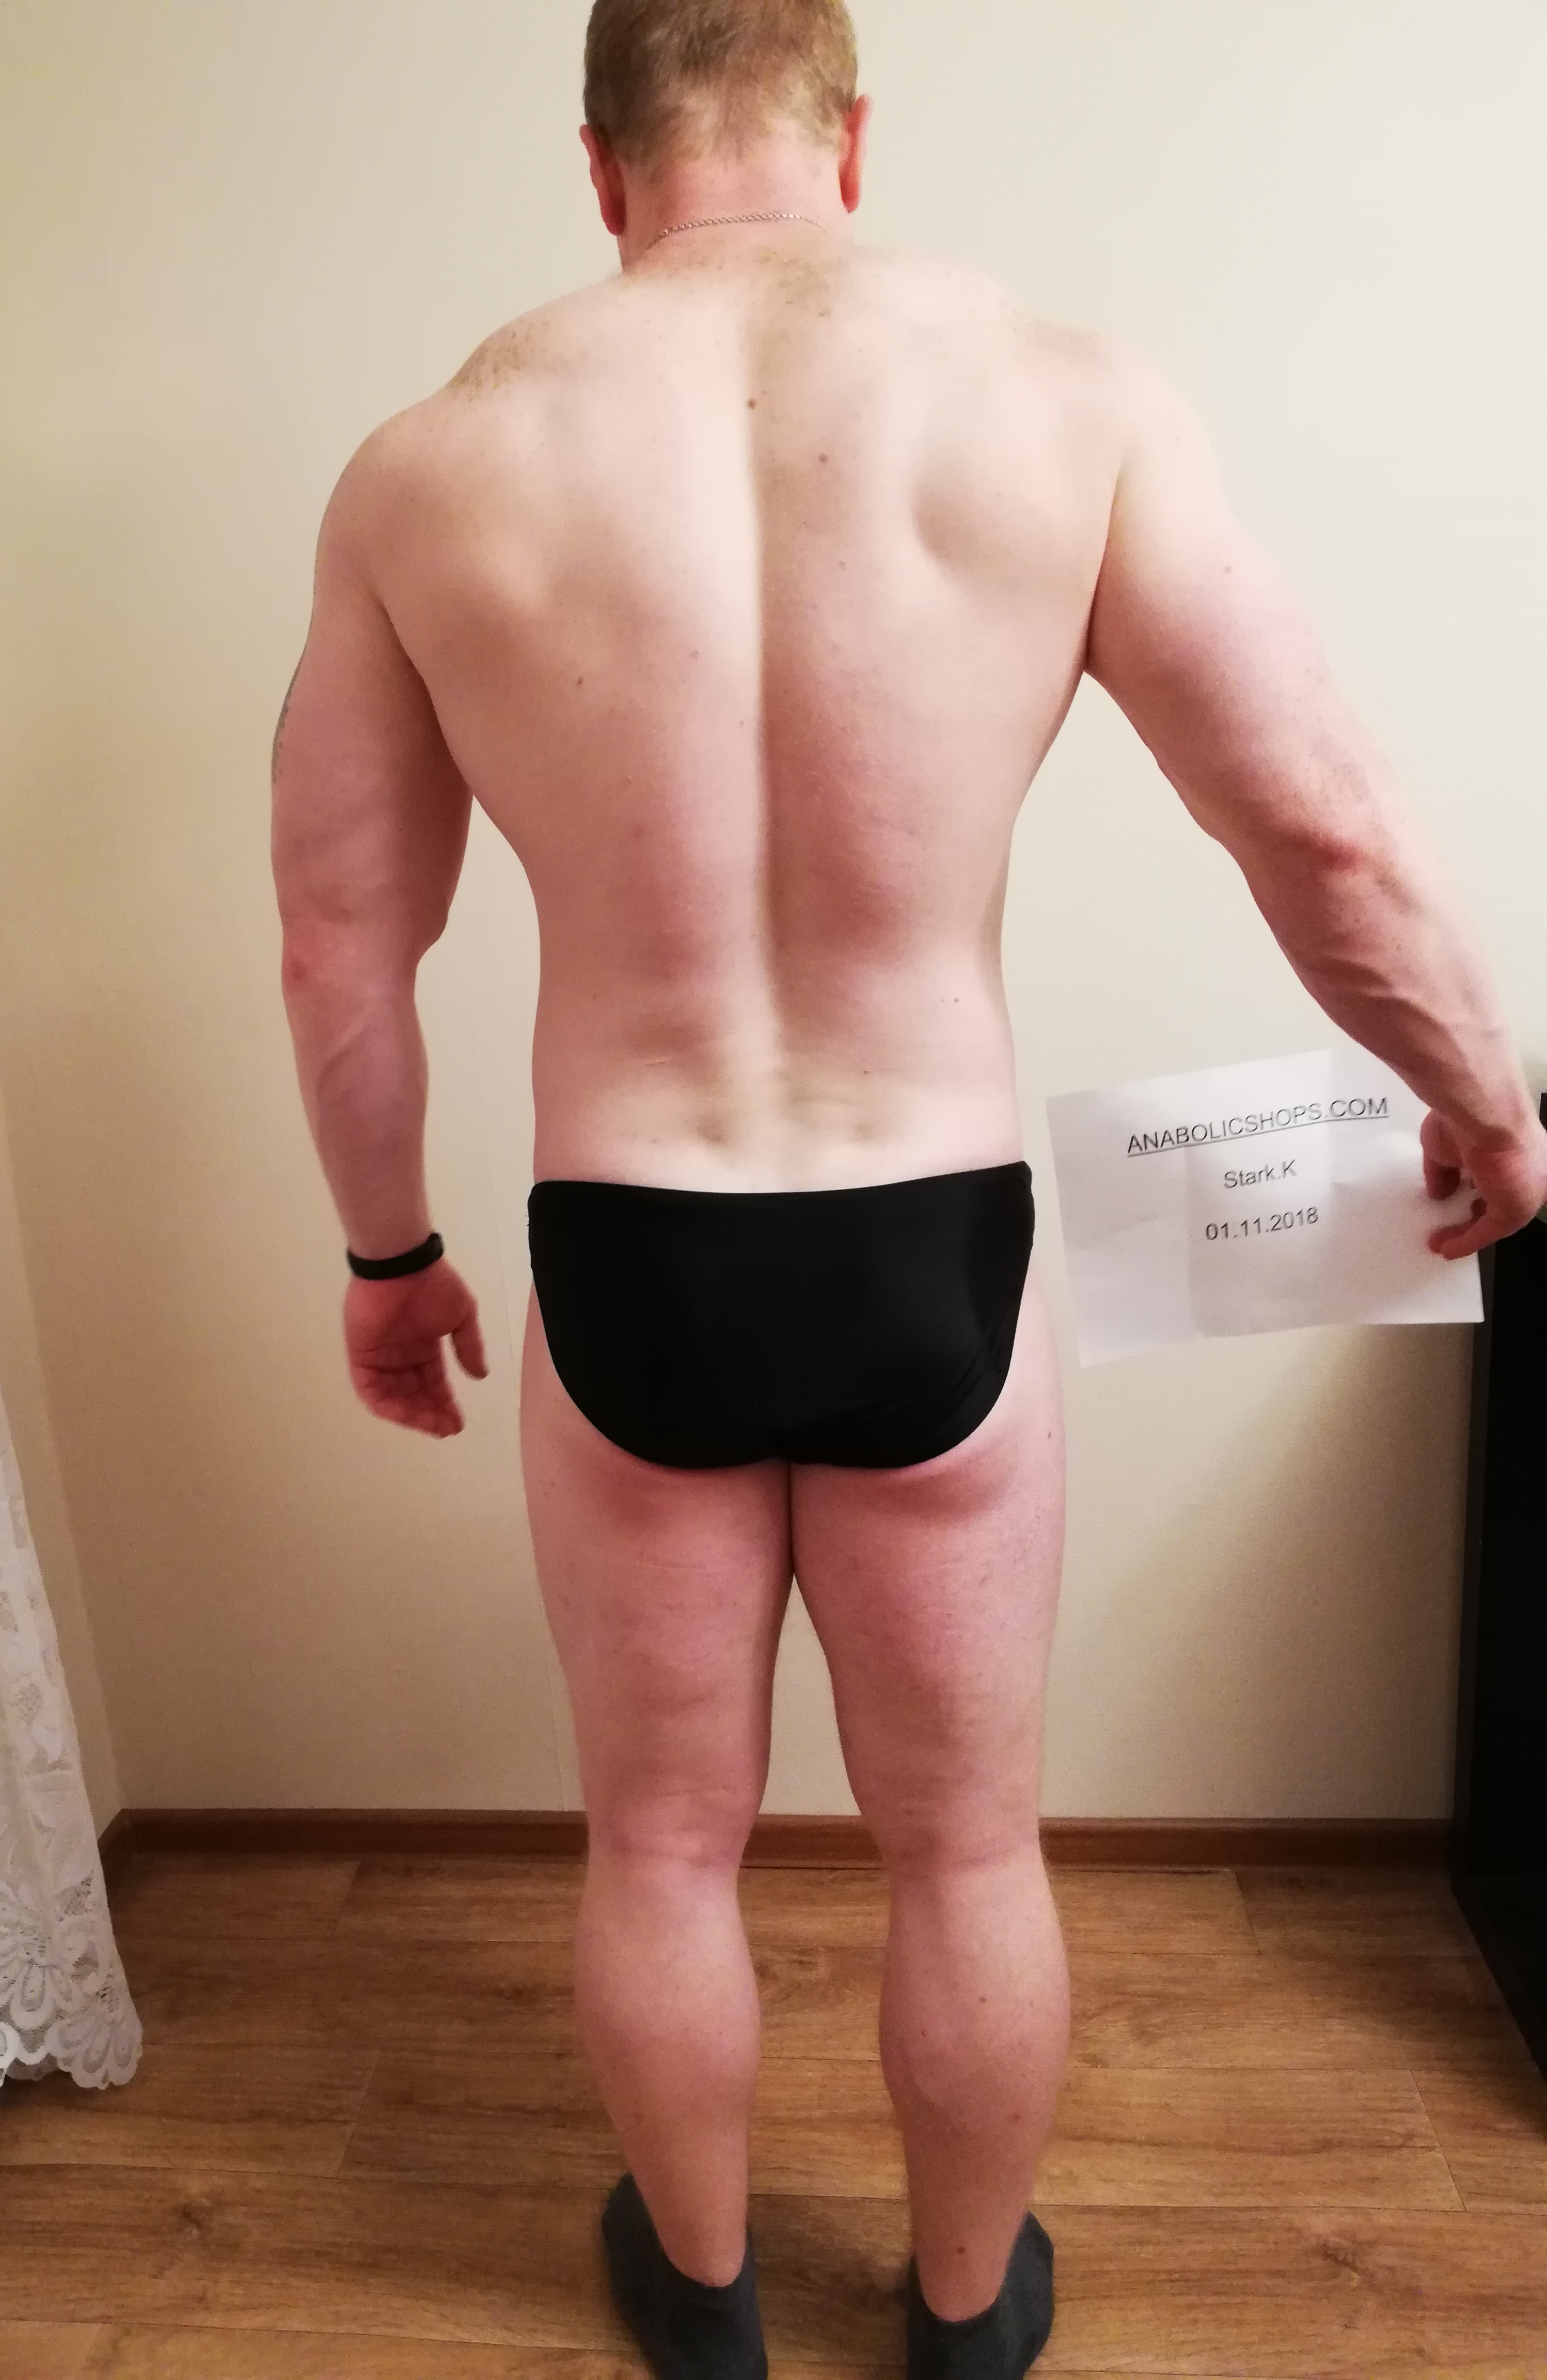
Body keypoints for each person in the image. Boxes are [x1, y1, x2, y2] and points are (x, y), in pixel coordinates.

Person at [270, 4, 1547, 2373]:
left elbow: (343, 938)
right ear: (851, 140)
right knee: (967, 1845)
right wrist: (1479, 1095)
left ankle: (706, 2303)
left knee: (663, 1841)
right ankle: (968, 2318)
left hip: (630, 1249)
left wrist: (386, 1249)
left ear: (600, 165)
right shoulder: (1065, 402)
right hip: (925, 1245)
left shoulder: (430, 467)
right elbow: (1322, 826)